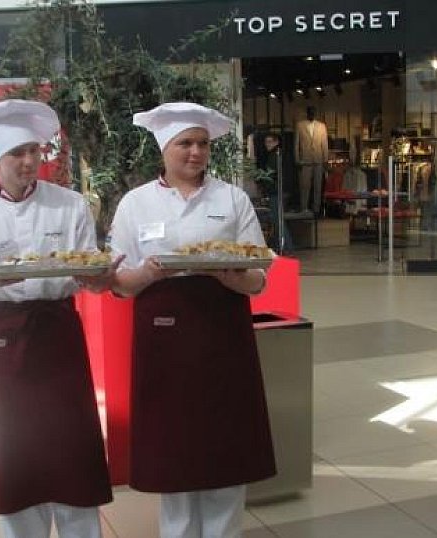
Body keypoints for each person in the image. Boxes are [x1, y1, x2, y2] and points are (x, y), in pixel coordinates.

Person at [0, 98, 114, 538]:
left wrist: (99, 276)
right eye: (16, 154)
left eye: (33, 152)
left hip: (59, 330)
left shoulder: (70, 205)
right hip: (4, 335)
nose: (27, 162)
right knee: (13, 447)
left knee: (71, 444)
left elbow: (92, 277)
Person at [108, 102, 277, 538]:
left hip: (224, 335)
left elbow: (258, 277)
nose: (196, 152)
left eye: (202, 143)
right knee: (175, 454)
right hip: (163, 341)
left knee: (225, 451)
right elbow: (120, 284)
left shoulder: (232, 198)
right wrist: (149, 272)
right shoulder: (136, 203)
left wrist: (230, 275)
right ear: (164, 148)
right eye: (185, 143)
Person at [294, 106, 329, 215]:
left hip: (318, 160)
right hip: (305, 160)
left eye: (313, 112)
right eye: (310, 112)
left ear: (315, 113)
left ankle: (316, 209)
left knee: (318, 186)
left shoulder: (322, 126)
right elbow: (296, 144)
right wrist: (297, 159)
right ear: (307, 113)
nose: (312, 114)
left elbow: (325, 144)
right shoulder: (300, 125)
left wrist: (325, 159)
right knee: (305, 186)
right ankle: (304, 207)